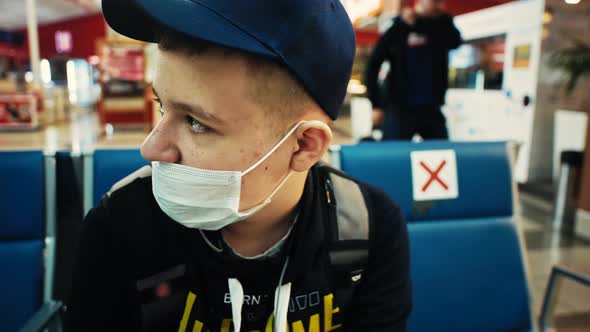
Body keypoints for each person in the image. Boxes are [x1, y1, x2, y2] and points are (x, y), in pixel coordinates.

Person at [66, 0, 411, 331]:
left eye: (196, 122)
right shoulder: (120, 228)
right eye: (161, 105)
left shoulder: (367, 231)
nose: (151, 148)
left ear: (304, 146)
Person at [365, 0, 462, 140]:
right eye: (435, 2)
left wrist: (417, 23)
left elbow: (455, 41)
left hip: (431, 107)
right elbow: (373, 64)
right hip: (399, 107)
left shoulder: (443, 24)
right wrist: (376, 104)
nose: (440, 6)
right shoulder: (398, 26)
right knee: (394, 155)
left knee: (441, 152)